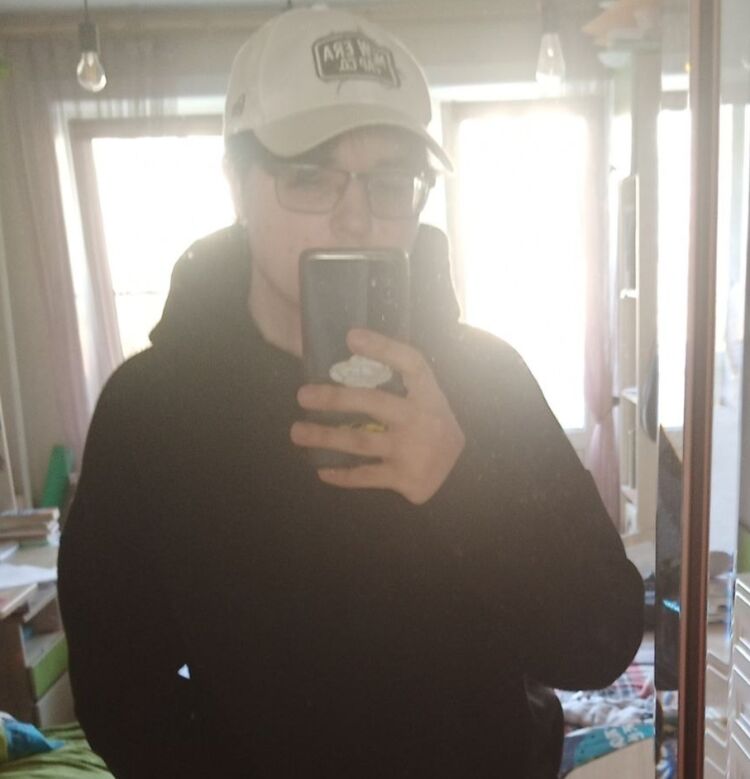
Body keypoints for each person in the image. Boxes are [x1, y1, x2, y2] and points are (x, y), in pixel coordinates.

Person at [58, 7, 644, 778]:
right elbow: (118, 687)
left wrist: (461, 483)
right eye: (310, 176)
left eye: (390, 181)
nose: (357, 216)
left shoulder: (487, 380)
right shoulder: (149, 413)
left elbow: (600, 640)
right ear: (237, 184)